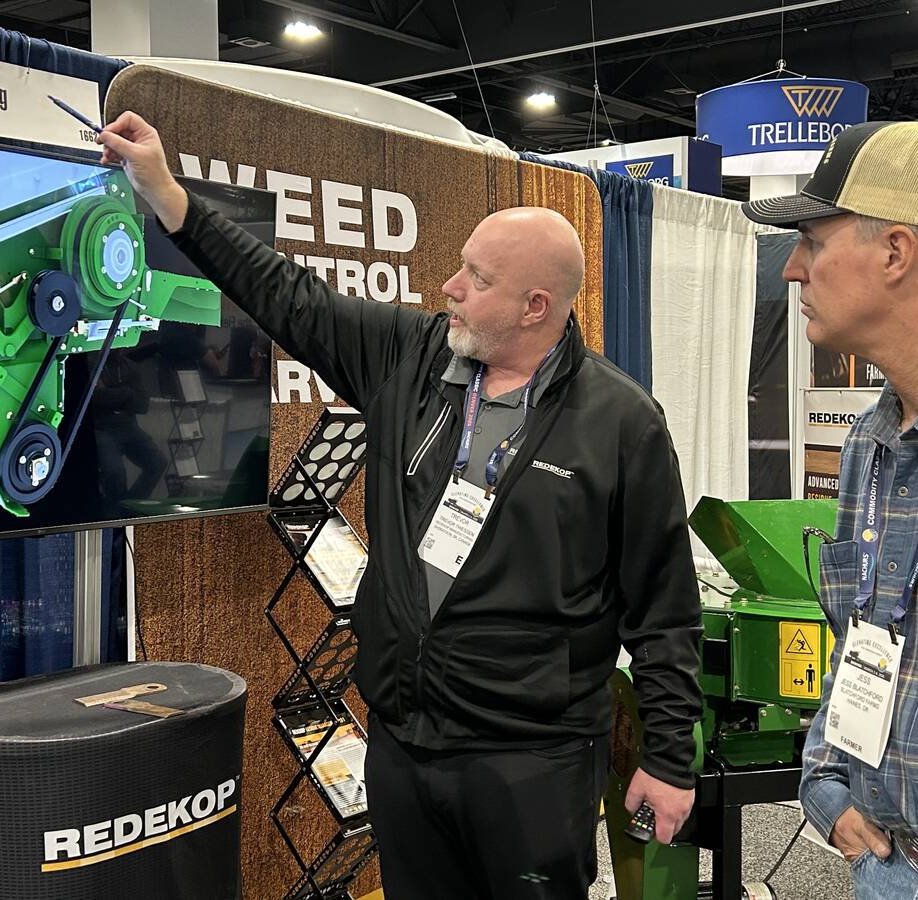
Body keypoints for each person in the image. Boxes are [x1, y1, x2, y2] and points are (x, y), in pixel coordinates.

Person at [99, 111, 703, 899]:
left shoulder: (621, 424)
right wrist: (170, 196)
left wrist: (666, 760)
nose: (449, 287)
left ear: (534, 306)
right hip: (406, 743)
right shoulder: (409, 360)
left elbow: (663, 611)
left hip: (531, 764)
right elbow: (286, 296)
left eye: (477, 279)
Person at [744, 121, 918, 900]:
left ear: (896, 251)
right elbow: (864, 642)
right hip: (887, 871)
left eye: (811, 241)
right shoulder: (872, 440)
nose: (793, 271)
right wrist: (827, 789)